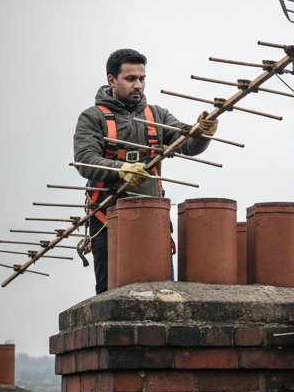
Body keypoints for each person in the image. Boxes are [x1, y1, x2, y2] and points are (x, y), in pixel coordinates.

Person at [73, 48, 218, 293]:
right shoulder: (93, 117)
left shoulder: (157, 115)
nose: (138, 85)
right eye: (130, 79)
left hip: (152, 220)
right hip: (108, 222)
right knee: (112, 297)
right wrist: (122, 169)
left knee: (163, 294)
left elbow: (187, 145)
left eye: (142, 78)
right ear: (112, 80)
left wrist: (203, 133)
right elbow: (85, 160)